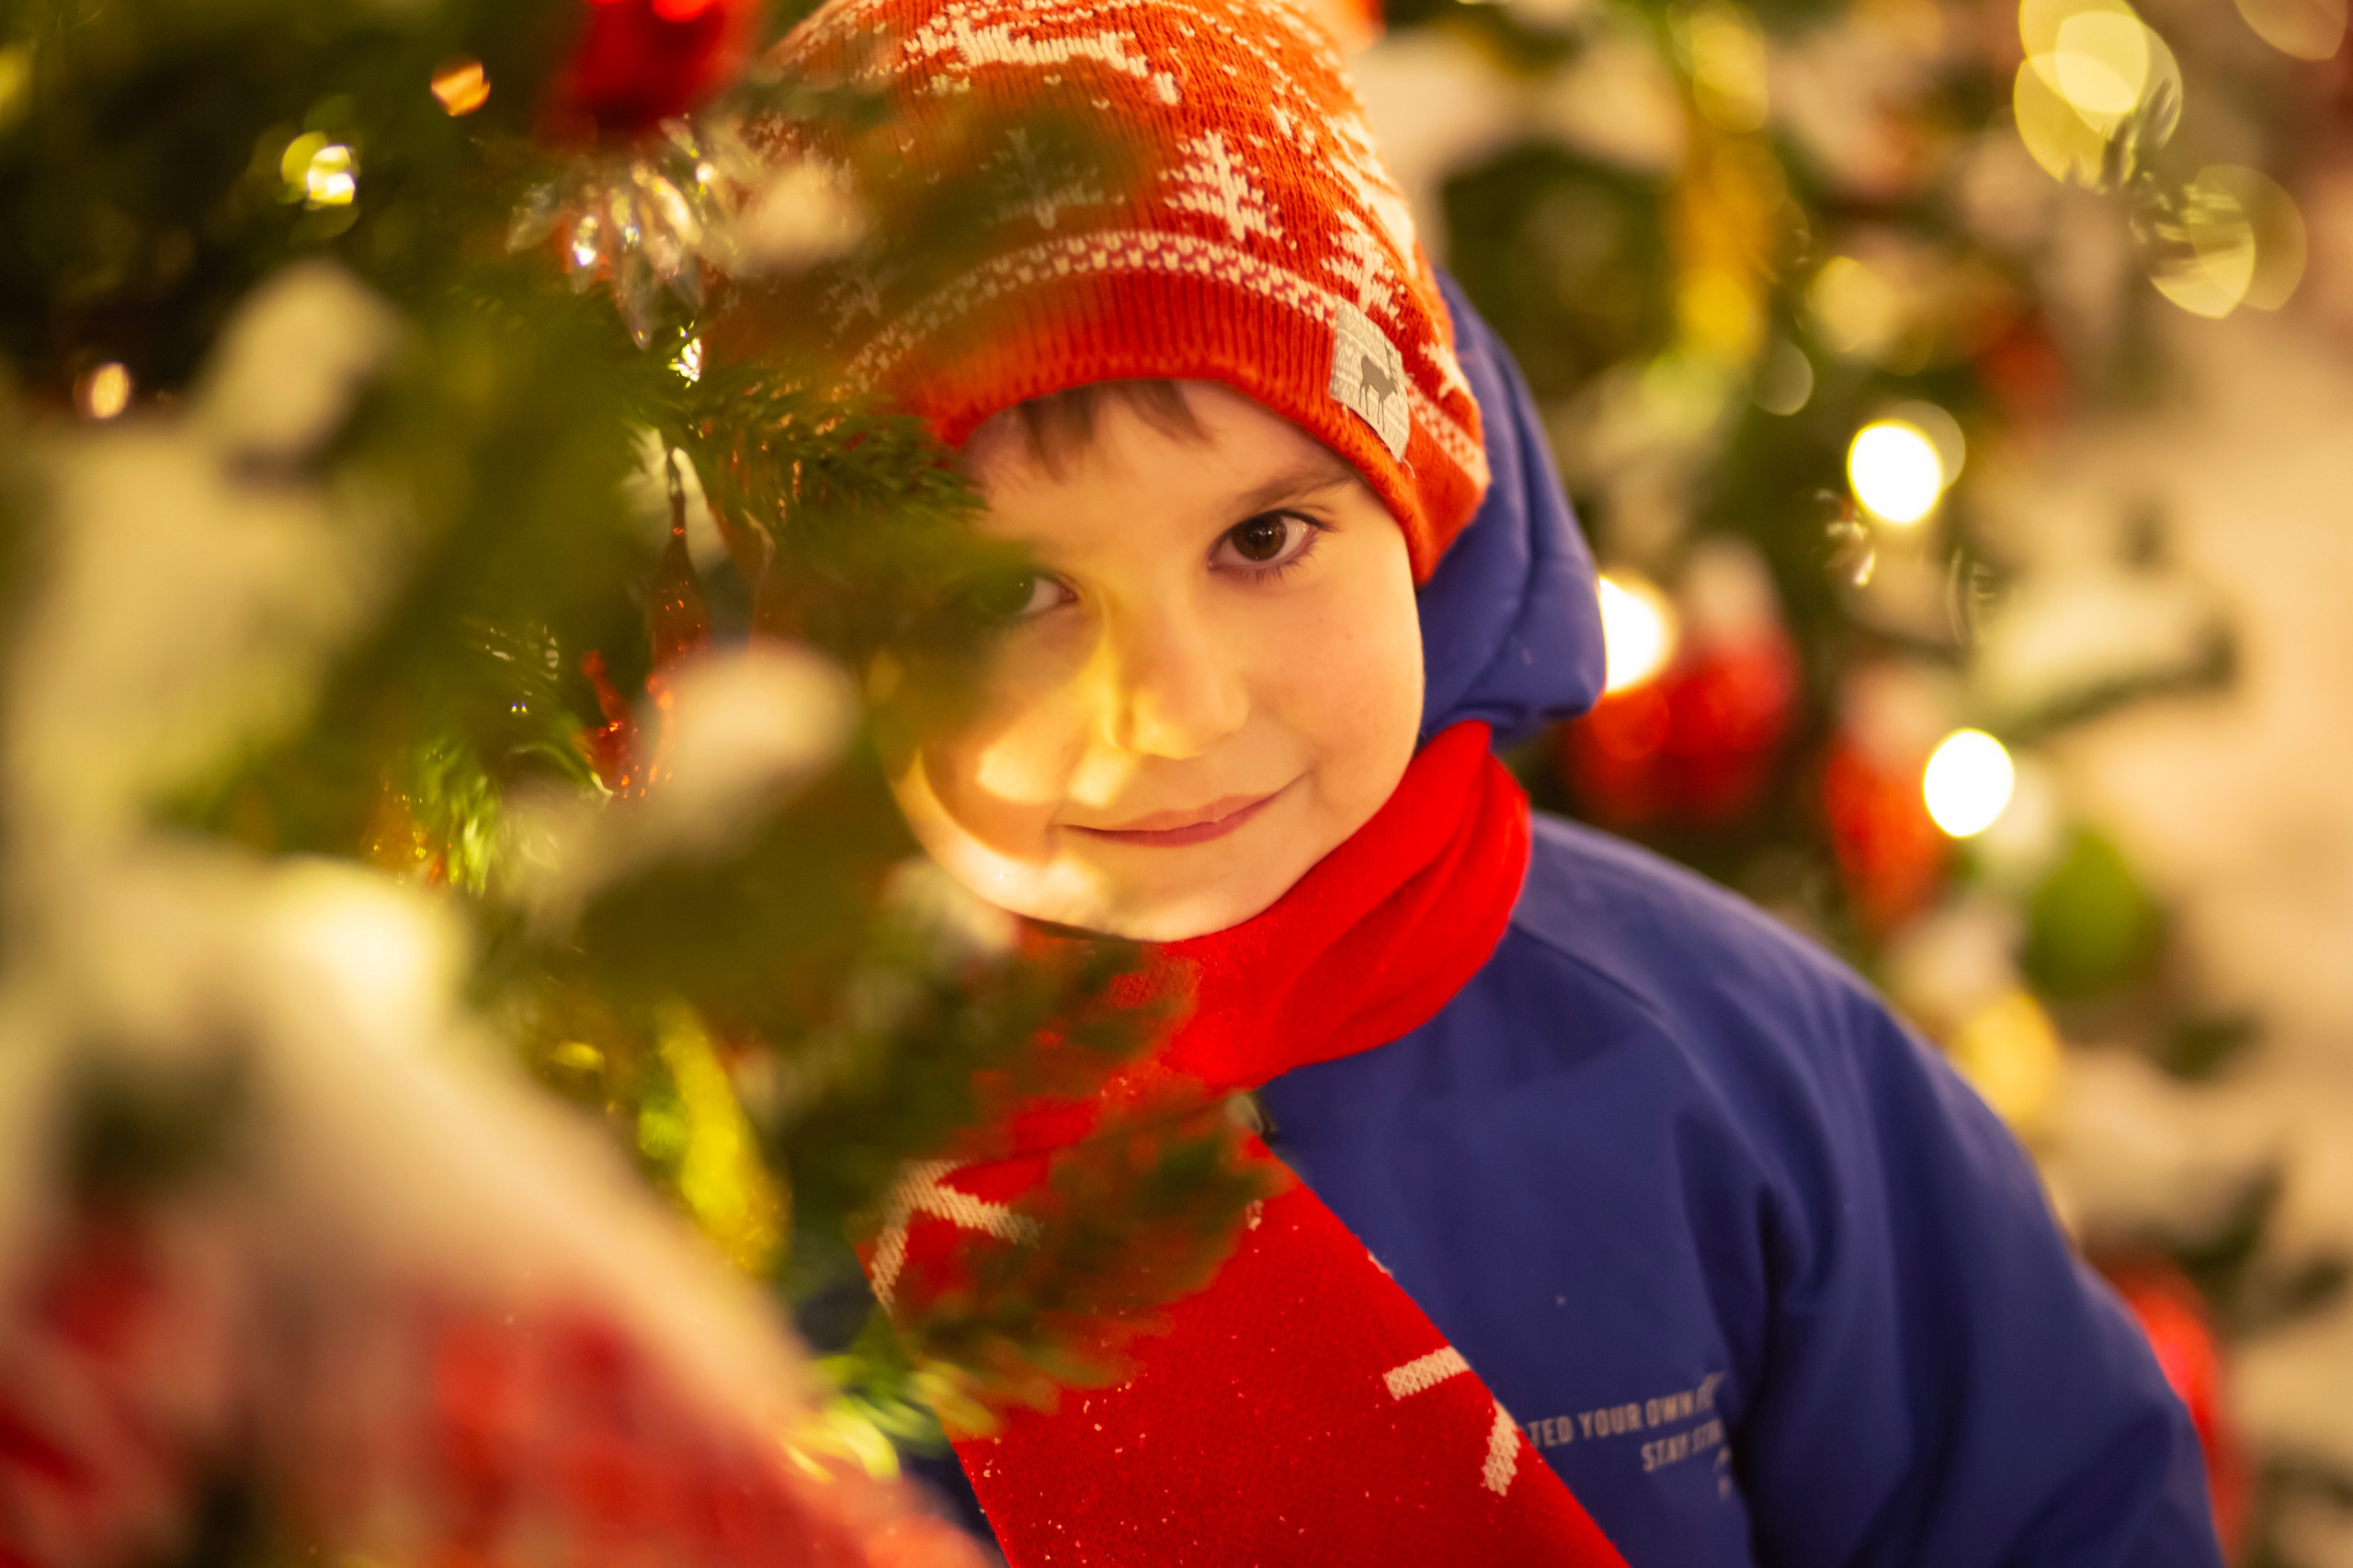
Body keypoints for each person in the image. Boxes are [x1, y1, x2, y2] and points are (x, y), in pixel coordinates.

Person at [747, 1, 2225, 1563]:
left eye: (1263, 539)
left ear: (1424, 512)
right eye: (1004, 598)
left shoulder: (1723, 1057)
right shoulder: (725, 1148)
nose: (1174, 709)